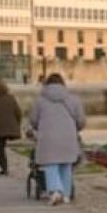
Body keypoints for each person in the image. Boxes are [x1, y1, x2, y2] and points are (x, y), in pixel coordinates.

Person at [27, 73, 86, 205]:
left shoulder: (39, 101)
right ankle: (66, 195)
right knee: (66, 165)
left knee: (50, 165)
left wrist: (39, 127)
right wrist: (75, 129)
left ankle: (55, 191)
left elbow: (33, 120)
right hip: (68, 137)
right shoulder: (73, 99)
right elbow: (81, 121)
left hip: (47, 138)